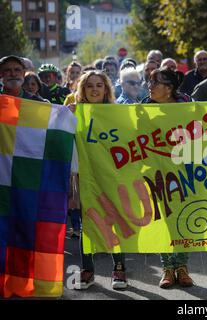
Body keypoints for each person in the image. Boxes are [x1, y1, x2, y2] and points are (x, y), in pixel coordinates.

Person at [68, 70, 128, 290]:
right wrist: (67, 116)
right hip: (86, 176)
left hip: (113, 176)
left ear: (106, 89)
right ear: (82, 90)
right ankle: (88, 270)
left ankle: (119, 269)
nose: (94, 89)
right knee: (87, 223)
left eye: (99, 85)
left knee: (114, 221)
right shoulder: (75, 113)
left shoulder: (116, 114)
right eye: (90, 85)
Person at [146, 68, 195, 288]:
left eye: (155, 82)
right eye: (150, 81)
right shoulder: (143, 110)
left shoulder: (188, 107)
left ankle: (182, 267)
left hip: (184, 173)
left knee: (183, 219)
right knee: (164, 221)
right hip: (155, 174)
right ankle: (167, 268)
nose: (150, 85)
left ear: (169, 89)